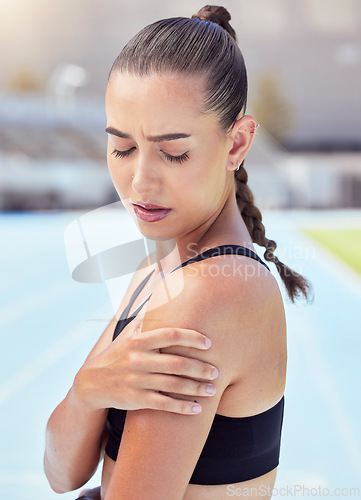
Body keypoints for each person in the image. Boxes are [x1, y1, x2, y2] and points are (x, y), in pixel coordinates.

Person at [44, 5, 312, 500]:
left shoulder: (212, 293)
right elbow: (61, 472)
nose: (139, 182)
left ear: (237, 143)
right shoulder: (159, 266)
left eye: (173, 151)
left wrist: (88, 392)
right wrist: (87, 390)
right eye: (122, 148)